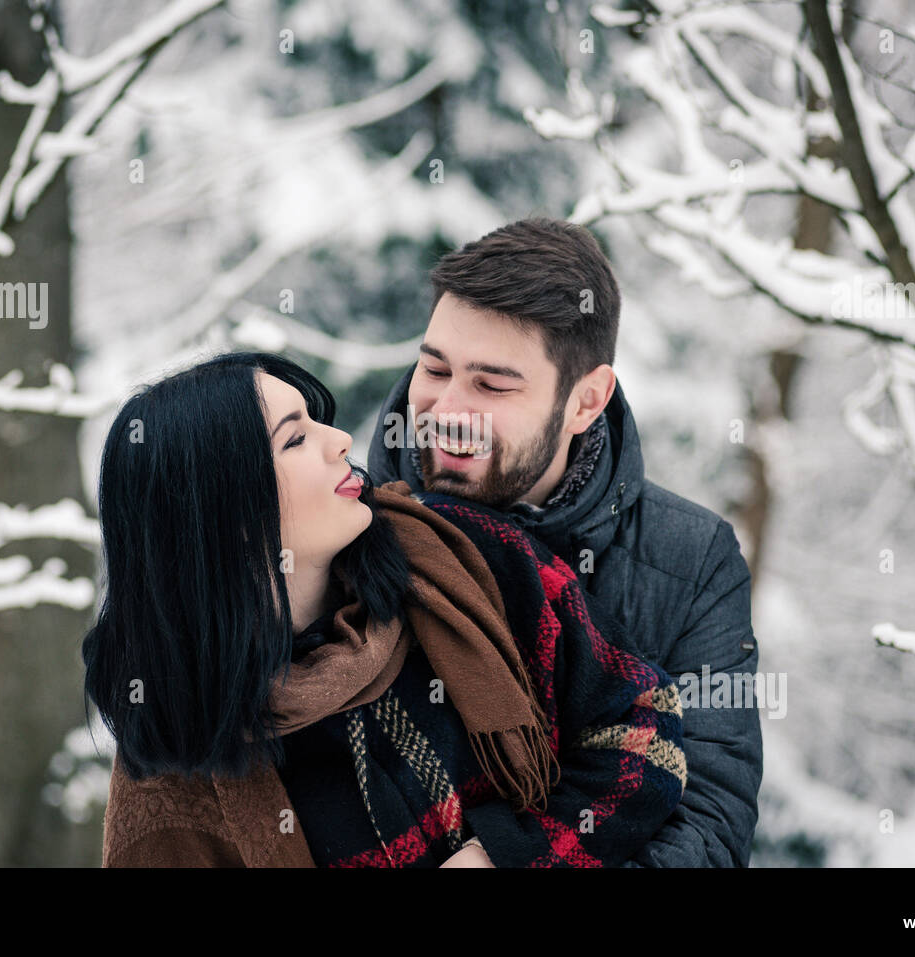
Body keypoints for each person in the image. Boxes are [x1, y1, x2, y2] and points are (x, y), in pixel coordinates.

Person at [84, 351, 687, 867]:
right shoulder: (172, 757)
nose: (341, 440)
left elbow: (643, 724)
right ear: (226, 516)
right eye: (295, 438)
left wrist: (506, 854)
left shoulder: (458, 555)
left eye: (318, 421)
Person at [367, 218, 764, 867]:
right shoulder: (342, 522)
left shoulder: (692, 560)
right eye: (434, 368)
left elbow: (709, 831)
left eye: (492, 384)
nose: (446, 408)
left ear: (586, 400)